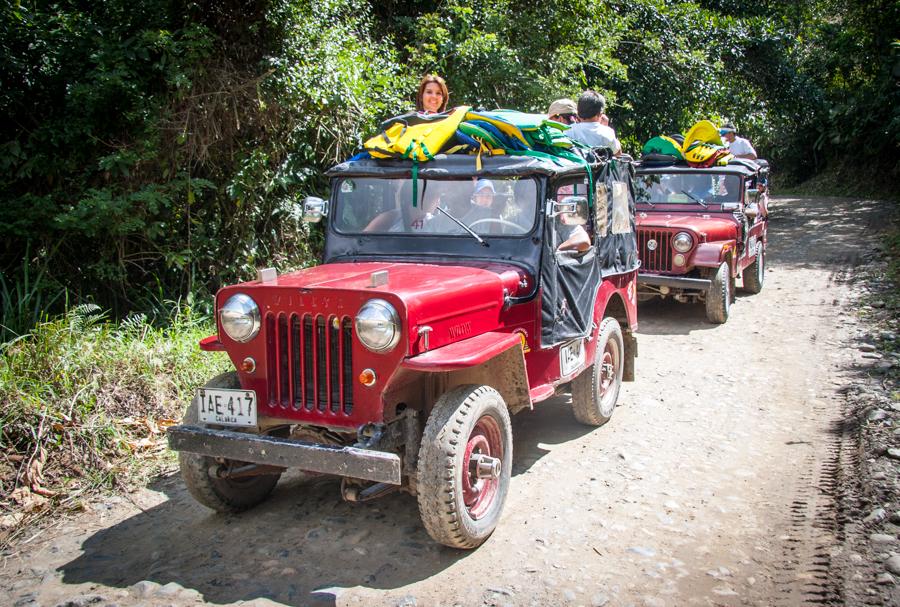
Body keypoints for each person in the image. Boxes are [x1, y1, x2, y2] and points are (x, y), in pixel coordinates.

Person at [565, 90, 622, 155]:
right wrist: (605, 127)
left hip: (576, 164)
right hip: (599, 165)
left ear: (578, 112)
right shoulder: (607, 132)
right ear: (600, 114)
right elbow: (618, 154)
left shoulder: (568, 130)